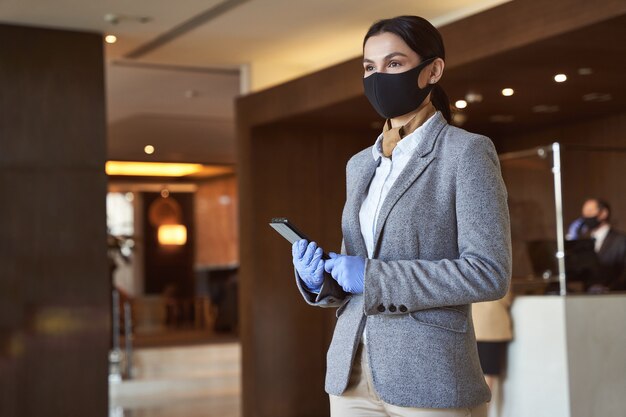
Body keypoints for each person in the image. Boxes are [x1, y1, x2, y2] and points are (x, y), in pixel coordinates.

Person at [291, 15, 511, 417]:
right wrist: (322, 278)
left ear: (433, 70)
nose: (378, 77)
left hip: (431, 374)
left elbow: (488, 272)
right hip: (350, 373)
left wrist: (372, 276)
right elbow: (358, 273)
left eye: (393, 64)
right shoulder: (359, 164)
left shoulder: (466, 152)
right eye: (369, 68)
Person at [567, 198, 626, 291]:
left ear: (603, 213)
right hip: (587, 298)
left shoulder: (621, 240)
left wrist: (610, 289)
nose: (586, 217)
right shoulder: (582, 241)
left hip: (615, 296)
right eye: (584, 214)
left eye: (590, 212)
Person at [472, 291, 514, 416]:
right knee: (488, 378)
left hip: (473, 327)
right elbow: (506, 296)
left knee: (479, 378)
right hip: (490, 327)